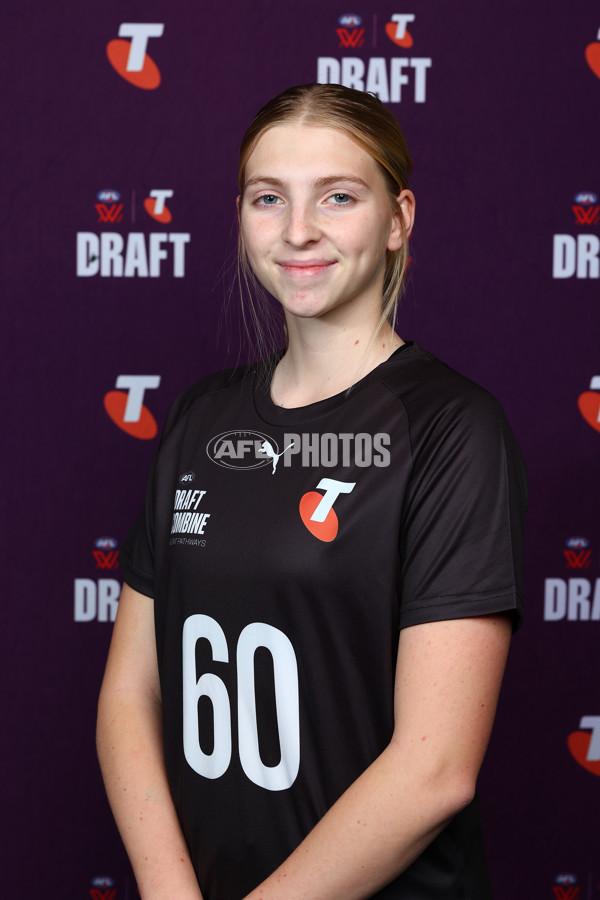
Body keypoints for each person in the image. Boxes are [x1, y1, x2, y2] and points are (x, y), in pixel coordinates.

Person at [96, 83, 527, 900]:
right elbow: (131, 692)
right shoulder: (199, 418)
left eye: (338, 196)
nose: (298, 231)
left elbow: (435, 769)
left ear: (399, 219)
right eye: (269, 198)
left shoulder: (451, 429)